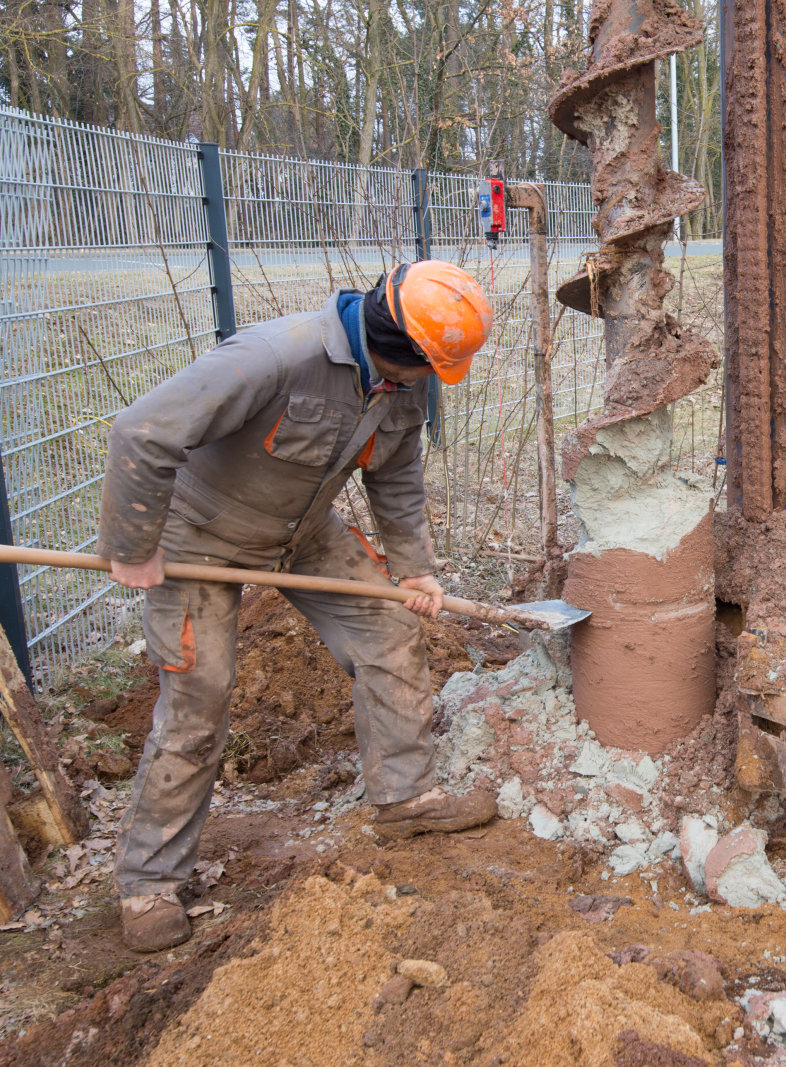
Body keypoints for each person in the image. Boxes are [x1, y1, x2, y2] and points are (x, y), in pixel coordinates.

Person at [99, 261, 500, 952]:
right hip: (199, 534)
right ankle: (148, 883)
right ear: (395, 345)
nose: (430, 381)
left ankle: (405, 796)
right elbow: (143, 431)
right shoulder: (274, 356)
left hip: (304, 531)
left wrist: (413, 571)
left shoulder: (402, 385)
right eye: (427, 367)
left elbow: (396, 476)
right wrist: (133, 545)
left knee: (390, 626)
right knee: (200, 695)